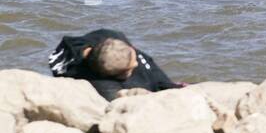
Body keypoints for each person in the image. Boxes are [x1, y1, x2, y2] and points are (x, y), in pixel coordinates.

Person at [48, 29, 178, 101]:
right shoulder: (105, 87)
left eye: (133, 54)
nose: (137, 63)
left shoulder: (107, 36)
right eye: (130, 68)